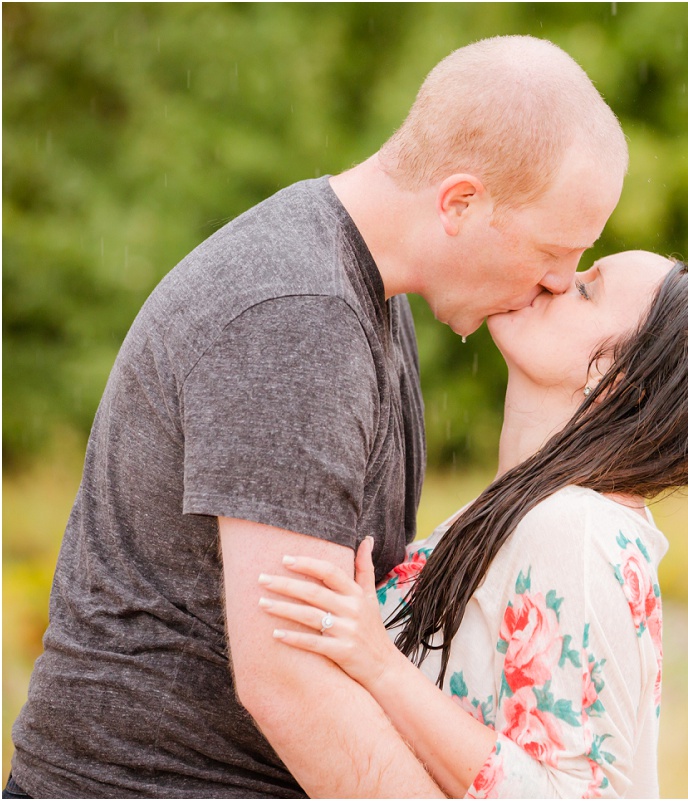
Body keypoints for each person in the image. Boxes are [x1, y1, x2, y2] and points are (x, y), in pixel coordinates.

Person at [8, 35, 627, 798]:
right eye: (556, 250)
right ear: (460, 201)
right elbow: (290, 677)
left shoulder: (365, 299)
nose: (558, 283)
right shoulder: (301, 313)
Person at [256, 251, 688, 797]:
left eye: (586, 290)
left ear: (618, 382)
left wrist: (381, 667)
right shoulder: (526, 513)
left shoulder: (574, 529)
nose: (557, 279)